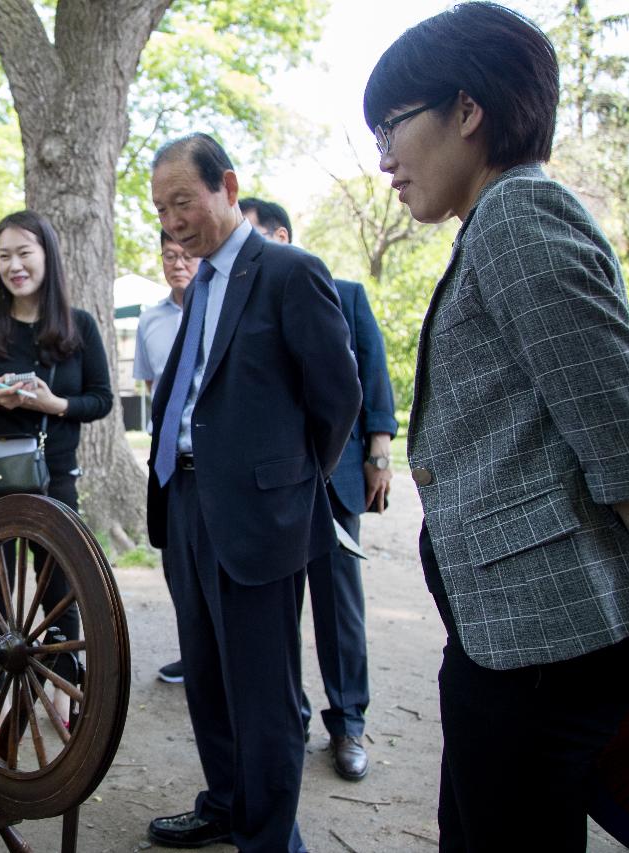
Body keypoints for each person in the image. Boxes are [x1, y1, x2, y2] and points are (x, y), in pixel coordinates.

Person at [364, 4, 629, 849]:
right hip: (506, 651)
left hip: (547, 660)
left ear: (467, 110)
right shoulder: (493, 225)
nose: (383, 158)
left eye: (392, 125)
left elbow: (628, 442)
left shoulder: (521, 219)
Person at [145, 134, 361, 851]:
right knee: (205, 677)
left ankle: (270, 839)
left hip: (258, 515)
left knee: (264, 694)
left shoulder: (290, 272)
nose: (172, 221)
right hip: (186, 506)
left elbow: (337, 397)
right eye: (160, 208)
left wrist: (289, 483)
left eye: (184, 201)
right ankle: (227, 801)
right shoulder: (197, 282)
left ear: (227, 186)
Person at [240, 197, 397, 781]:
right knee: (275, 609)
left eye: (253, 236)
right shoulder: (237, 301)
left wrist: (379, 456)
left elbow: (372, 380)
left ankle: (349, 723)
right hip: (269, 486)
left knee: (339, 606)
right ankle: (289, 720)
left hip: (335, 480)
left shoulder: (345, 291)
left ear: (281, 234)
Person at [0, 209, 114, 723]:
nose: (14, 265)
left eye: (24, 252)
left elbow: (102, 399)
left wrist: (53, 405)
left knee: (61, 587)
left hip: (55, 475)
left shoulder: (78, 325)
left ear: (47, 256)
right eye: (4, 255)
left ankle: (64, 691)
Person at [132, 231, 199, 686]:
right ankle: (192, 653)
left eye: (186, 255)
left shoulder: (216, 309)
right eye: (169, 256)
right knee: (175, 561)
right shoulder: (150, 320)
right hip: (165, 458)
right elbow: (152, 388)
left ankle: (216, 657)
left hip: (209, 458)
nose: (178, 264)